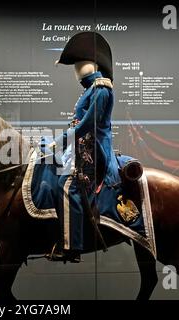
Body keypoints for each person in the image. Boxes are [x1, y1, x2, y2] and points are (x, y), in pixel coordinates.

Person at [47, 32, 119, 262]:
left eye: (80, 63)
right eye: (75, 64)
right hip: (81, 147)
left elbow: (88, 124)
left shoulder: (101, 89)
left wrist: (60, 141)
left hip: (93, 150)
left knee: (68, 185)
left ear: (94, 64)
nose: (77, 69)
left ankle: (73, 246)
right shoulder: (89, 90)